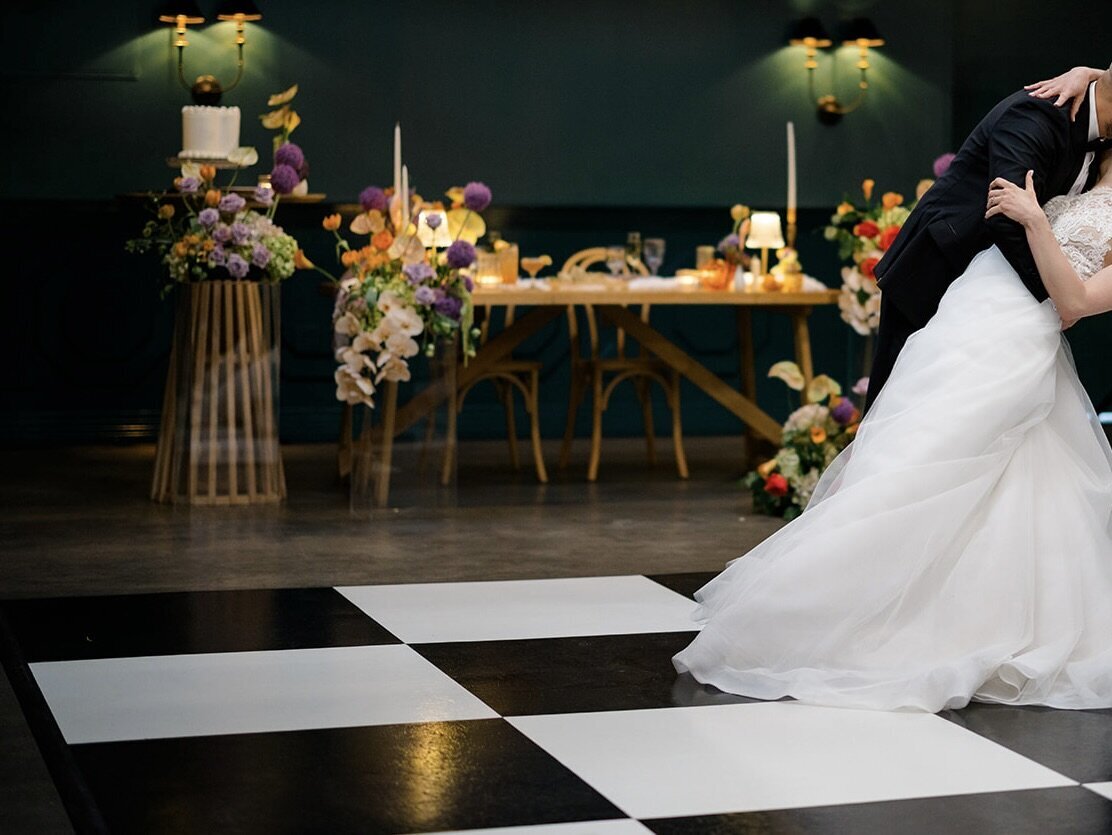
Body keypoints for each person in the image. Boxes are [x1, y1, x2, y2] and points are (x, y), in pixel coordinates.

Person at [671, 74, 1112, 713]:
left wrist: (1042, 244)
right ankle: (835, 603)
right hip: (958, 285)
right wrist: (1087, 77)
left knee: (979, 460)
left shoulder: (1090, 131)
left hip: (1019, 316)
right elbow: (1005, 213)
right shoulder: (1041, 115)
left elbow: (1067, 290)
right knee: (914, 443)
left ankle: (962, 615)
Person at [864, 64, 1112, 412]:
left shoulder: (1097, 137)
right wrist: (1054, 297)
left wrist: (1088, 72)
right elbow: (1005, 215)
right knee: (899, 412)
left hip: (1008, 305)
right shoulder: (1038, 114)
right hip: (942, 271)